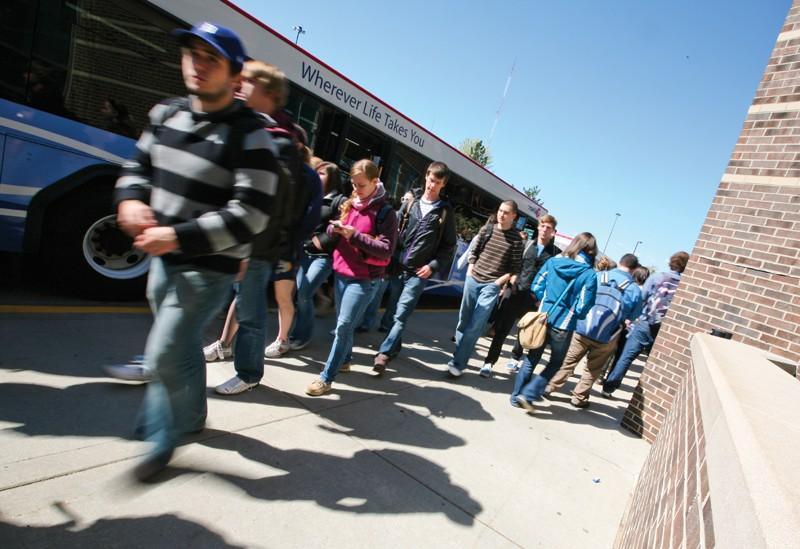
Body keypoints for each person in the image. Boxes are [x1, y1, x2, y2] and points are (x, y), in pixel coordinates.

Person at [113, 22, 279, 479]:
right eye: (191, 53)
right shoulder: (166, 114)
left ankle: (161, 439)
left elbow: (251, 214)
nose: (197, 64)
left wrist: (178, 235)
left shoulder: (252, 135)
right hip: (162, 258)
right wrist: (129, 199)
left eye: (211, 59)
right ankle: (191, 417)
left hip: (208, 267)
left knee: (164, 350)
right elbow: (137, 166)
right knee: (182, 344)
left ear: (234, 74)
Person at [305, 159, 398, 396]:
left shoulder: (386, 213)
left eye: (361, 185)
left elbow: (386, 249)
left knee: (343, 327)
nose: (356, 190)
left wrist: (355, 235)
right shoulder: (350, 203)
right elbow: (332, 232)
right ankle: (345, 359)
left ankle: (327, 378)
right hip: (341, 272)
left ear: (375, 182)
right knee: (342, 325)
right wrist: (333, 229)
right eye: (353, 184)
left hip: (364, 279)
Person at [373, 162, 457, 374]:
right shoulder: (411, 204)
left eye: (437, 183)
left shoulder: (445, 213)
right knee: (393, 311)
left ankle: (383, 354)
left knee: (402, 314)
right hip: (398, 267)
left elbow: (449, 247)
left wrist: (432, 266)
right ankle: (394, 346)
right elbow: (393, 231)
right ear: (426, 177)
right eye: (430, 180)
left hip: (419, 273)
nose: (432, 185)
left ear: (443, 184)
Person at [543, 253, 644, 407]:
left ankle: (550, 386)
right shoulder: (634, 290)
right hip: (608, 335)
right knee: (593, 368)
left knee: (569, 360)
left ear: (620, 262)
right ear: (634, 269)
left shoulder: (599, 276)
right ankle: (579, 397)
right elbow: (634, 315)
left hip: (583, 327)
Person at [511, 233, 598, 411]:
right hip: (564, 325)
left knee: (531, 358)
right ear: (590, 251)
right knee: (555, 362)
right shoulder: (589, 274)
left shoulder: (553, 262)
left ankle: (516, 396)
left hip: (543, 318)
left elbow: (536, 285)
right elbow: (584, 304)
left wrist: (544, 302)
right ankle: (529, 394)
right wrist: (577, 315)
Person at [448, 201, 523, 378]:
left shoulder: (516, 240)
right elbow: (473, 251)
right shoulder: (487, 229)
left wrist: (498, 283)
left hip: (491, 285)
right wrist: (469, 271)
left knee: (476, 325)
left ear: (514, 216)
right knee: (463, 321)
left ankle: (459, 363)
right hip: (473, 278)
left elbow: (515, 268)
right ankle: (458, 355)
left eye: (506, 213)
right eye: (500, 211)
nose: (501, 215)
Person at [601, 251, 689, 397]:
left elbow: (642, 298)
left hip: (646, 322)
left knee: (626, 356)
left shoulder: (657, 277)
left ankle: (608, 388)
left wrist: (634, 317)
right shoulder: (683, 285)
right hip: (666, 328)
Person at [483, 214, 561, 376]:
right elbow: (512, 266)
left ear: (553, 232)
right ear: (538, 227)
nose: (544, 230)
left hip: (536, 299)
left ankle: (515, 357)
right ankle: (489, 362)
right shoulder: (525, 244)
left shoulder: (555, 254)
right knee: (502, 329)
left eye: (549, 228)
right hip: (515, 292)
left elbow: (554, 279)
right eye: (542, 226)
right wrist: (507, 285)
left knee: (525, 330)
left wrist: (544, 299)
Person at [288, 161, 347, 349]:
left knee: (305, 293)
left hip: (323, 257)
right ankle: (298, 332)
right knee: (300, 295)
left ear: (332, 178)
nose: (318, 175)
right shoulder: (313, 195)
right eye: (317, 172)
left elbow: (340, 228)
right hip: (305, 253)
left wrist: (319, 241)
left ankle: (302, 335)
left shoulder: (339, 200)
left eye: (322, 173)